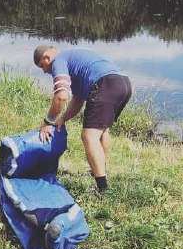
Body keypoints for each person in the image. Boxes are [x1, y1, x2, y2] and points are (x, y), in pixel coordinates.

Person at [33, 45, 132, 192]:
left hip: (105, 84)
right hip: (123, 84)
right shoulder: (72, 58)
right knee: (102, 131)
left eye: (42, 66)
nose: (44, 70)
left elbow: (61, 96)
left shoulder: (58, 61)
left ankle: (103, 189)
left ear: (46, 58)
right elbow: (77, 100)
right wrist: (63, 118)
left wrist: (48, 122)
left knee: (89, 136)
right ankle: (99, 172)